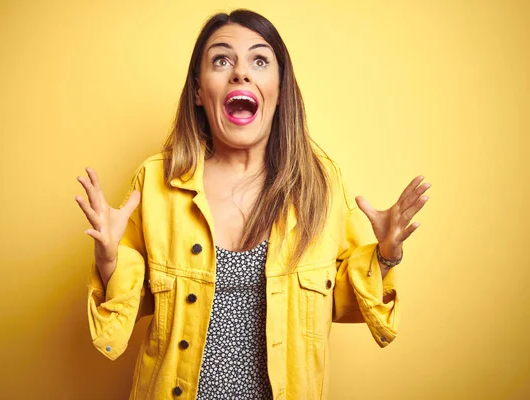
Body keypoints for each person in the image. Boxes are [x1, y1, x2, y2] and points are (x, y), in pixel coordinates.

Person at [75, 9, 430, 400]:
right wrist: (109, 257)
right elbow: (136, 299)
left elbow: (339, 301)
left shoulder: (319, 184)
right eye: (221, 60)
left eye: (259, 61)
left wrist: (384, 256)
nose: (240, 73)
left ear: (279, 90)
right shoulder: (158, 181)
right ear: (198, 90)